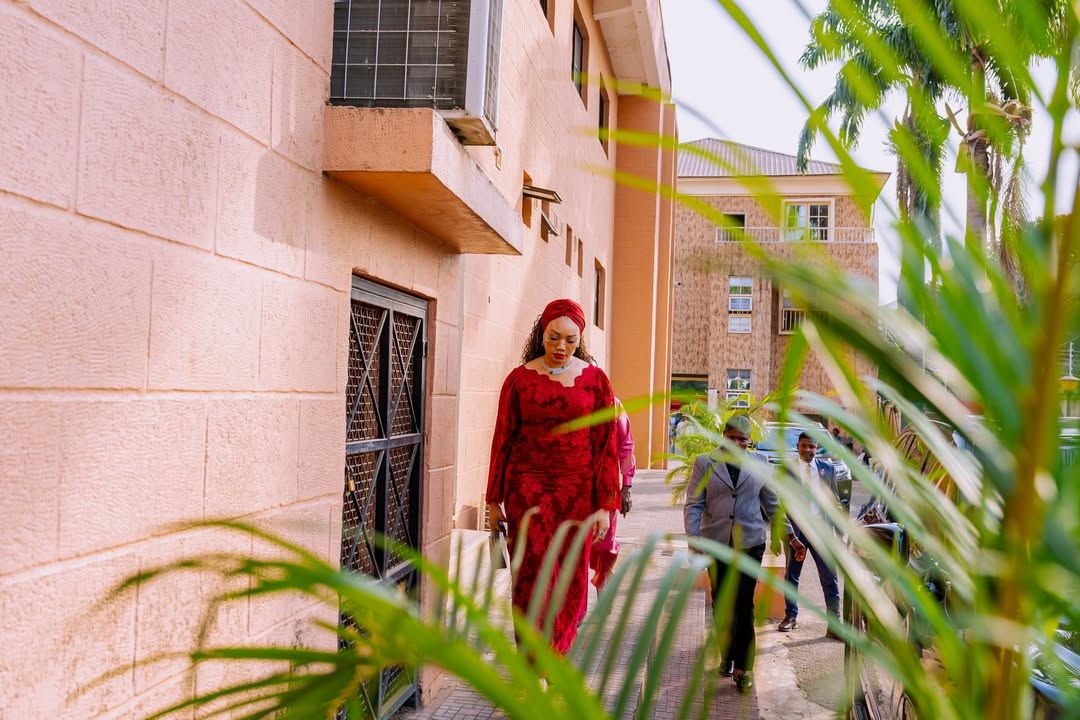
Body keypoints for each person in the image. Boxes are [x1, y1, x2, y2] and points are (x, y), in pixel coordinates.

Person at [486, 299, 621, 654]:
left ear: (580, 340)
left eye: (570, 340)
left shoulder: (596, 381)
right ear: (541, 334)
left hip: (578, 496)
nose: (561, 346)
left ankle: (556, 653)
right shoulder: (518, 380)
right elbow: (502, 439)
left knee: (570, 580)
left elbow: (606, 446)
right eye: (553, 337)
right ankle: (533, 663)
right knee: (530, 578)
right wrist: (493, 499)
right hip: (526, 491)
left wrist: (605, 506)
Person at [683, 415, 804, 693]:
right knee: (721, 603)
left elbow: (773, 505)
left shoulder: (761, 463)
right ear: (723, 435)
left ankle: (742, 667)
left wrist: (791, 537)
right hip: (716, 542)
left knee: (744, 604)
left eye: (743, 440)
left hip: (750, 543)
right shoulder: (705, 462)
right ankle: (726, 654)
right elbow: (694, 503)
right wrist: (693, 537)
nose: (737, 443)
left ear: (749, 441)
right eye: (732, 437)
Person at [777, 432, 842, 638]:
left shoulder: (827, 469)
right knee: (792, 576)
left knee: (829, 577)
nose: (807, 450)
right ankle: (791, 617)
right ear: (797, 446)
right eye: (804, 446)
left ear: (817, 448)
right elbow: (778, 504)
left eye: (812, 447)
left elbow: (835, 503)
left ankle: (835, 624)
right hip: (795, 532)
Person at [589, 398, 635, 590]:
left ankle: (604, 598)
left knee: (604, 545)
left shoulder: (612, 404)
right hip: (573, 486)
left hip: (607, 488)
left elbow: (626, 445)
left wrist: (626, 486)